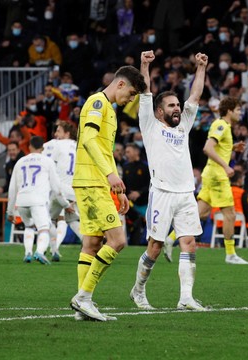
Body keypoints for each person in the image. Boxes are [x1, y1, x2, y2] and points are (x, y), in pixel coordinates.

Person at [129, 50, 207, 312]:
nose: (177, 108)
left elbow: (195, 95)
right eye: (172, 105)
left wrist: (201, 67)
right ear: (160, 111)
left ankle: (186, 297)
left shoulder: (184, 124)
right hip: (162, 191)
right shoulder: (150, 124)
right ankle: (138, 291)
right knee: (155, 246)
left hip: (186, 193)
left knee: (189, 242)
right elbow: (145, 91)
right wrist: (144, 64)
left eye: (178, 105)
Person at [70, 65, 146, 322]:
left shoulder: (109, 110)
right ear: (120, 84)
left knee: (91, 244)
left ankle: (83, 304)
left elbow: (104, 150)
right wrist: (110, 176)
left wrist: (117, 187)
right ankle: (84, 298)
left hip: (96, 181)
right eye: (133, 93)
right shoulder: (98, 103)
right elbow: (89, 139)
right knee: (117, 241)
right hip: (92, 181)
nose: (132, 99)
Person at [167, 96, 248, 265]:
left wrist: (233, 148)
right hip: (217, 175)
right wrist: (226, 167)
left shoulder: (224, 126)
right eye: (238, 110)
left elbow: (217, 147)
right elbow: (208, 148)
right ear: (229, 111)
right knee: (230, 214)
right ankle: (230, 254)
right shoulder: (221, 125)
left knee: (200, 213)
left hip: (211, 174)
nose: (240, 113)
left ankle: (170, 238)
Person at [8, 136, 70, 264]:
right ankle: (40, 252)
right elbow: (56, 187)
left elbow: (12, 189)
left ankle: (28, 253)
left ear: (29, 146)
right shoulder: (47, 161)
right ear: (43, 148)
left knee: (29, 226)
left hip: (22, 201)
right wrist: (65, 203)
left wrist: (10, 212)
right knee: (44, 228)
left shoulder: (20, 162)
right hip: (38, 201)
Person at [42, 120, 80, 261]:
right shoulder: (78, 146)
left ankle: (47, 249)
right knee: (72, 219)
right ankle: (91, 246)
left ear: (67, 133)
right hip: (74, 189)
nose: (55, 133)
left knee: (48, 219)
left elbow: (50, 166)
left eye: (58, 131)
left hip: (59, 188)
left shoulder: (56, 145)